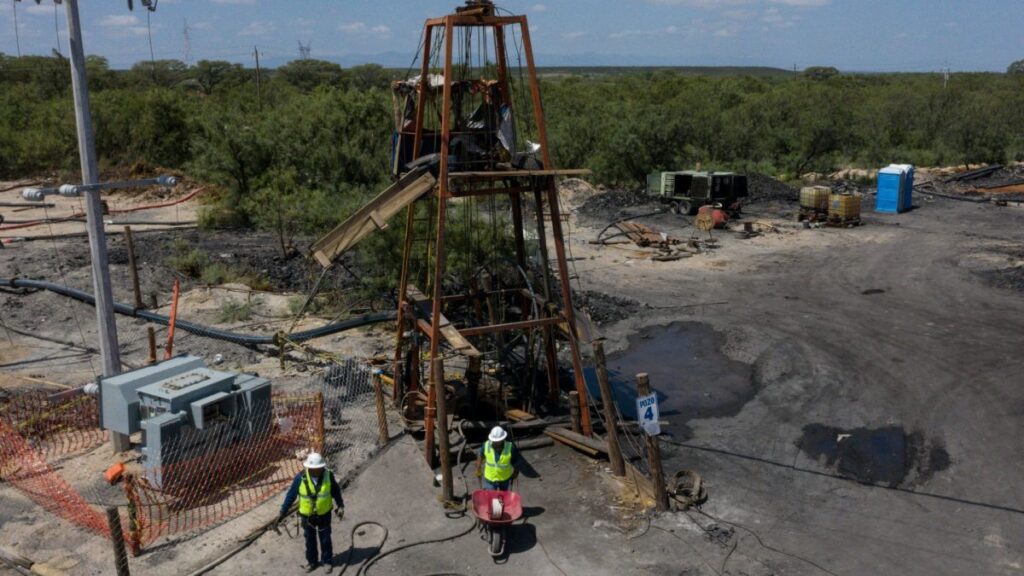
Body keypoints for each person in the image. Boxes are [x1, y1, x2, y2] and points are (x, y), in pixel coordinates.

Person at [277, 452, 345, 573]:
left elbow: (335, 490)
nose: (316, 471)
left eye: (318, 469)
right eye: (313, 469)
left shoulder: (328, 476)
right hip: (307, 517)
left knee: (325, 539)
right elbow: (290, 496)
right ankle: (312, 562)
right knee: (310, 540)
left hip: (324, 514)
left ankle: (327, 561)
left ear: (322, 467)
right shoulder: (300, 478)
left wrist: (340, 505)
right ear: (308, 467)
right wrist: (282, 512)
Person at [475, 426, 522, 490]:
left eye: (498, 441)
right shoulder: (486, 445)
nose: (496, 443)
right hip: (490, 479)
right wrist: (478, 468)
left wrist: (515, 473)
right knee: (491, 497)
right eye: (494, 441)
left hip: (504, 479)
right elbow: (480, 456)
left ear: (503, 439)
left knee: (503, 497)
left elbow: (516, 462)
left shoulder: (510, 447)